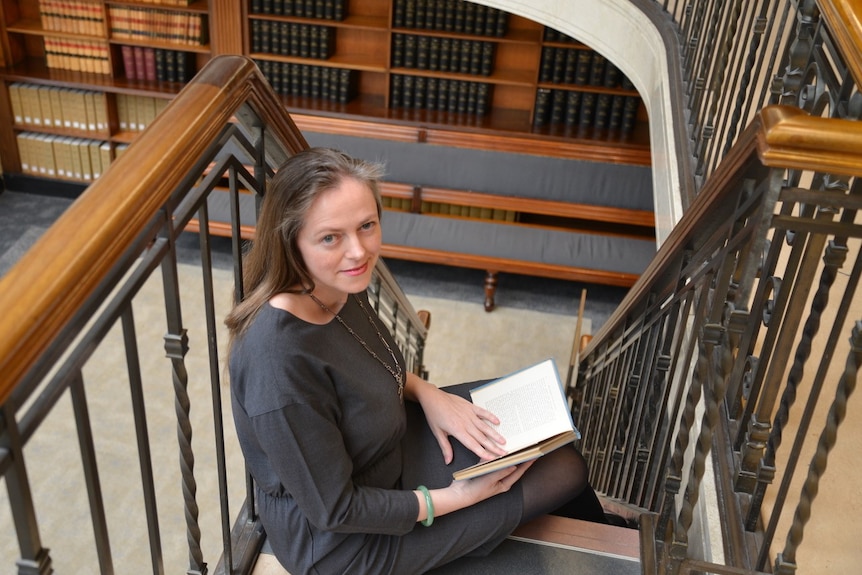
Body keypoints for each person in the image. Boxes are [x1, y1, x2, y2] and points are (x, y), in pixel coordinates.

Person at [225, 147, 606, 575]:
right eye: (331, 237)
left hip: (383, 443)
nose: (358, 252)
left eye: (367, 226)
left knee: (551, 433)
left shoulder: (333, 283)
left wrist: (427, 393)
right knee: (564, 470)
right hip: (344, 542)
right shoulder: (276, 365)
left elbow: (359, 366)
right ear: (290, 241)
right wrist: (463, 498)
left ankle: (600, 542)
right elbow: (335, 510)